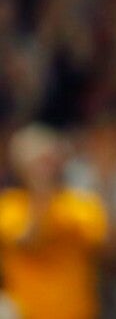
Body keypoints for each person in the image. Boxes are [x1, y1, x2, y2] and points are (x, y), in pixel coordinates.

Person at [0, 123, 108, 319]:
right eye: (37, 162)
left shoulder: (81, 203)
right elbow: (29, 243)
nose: (43, 168)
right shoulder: (9, 206)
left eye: (48, 160)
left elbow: (108, 250)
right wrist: (41, 197)